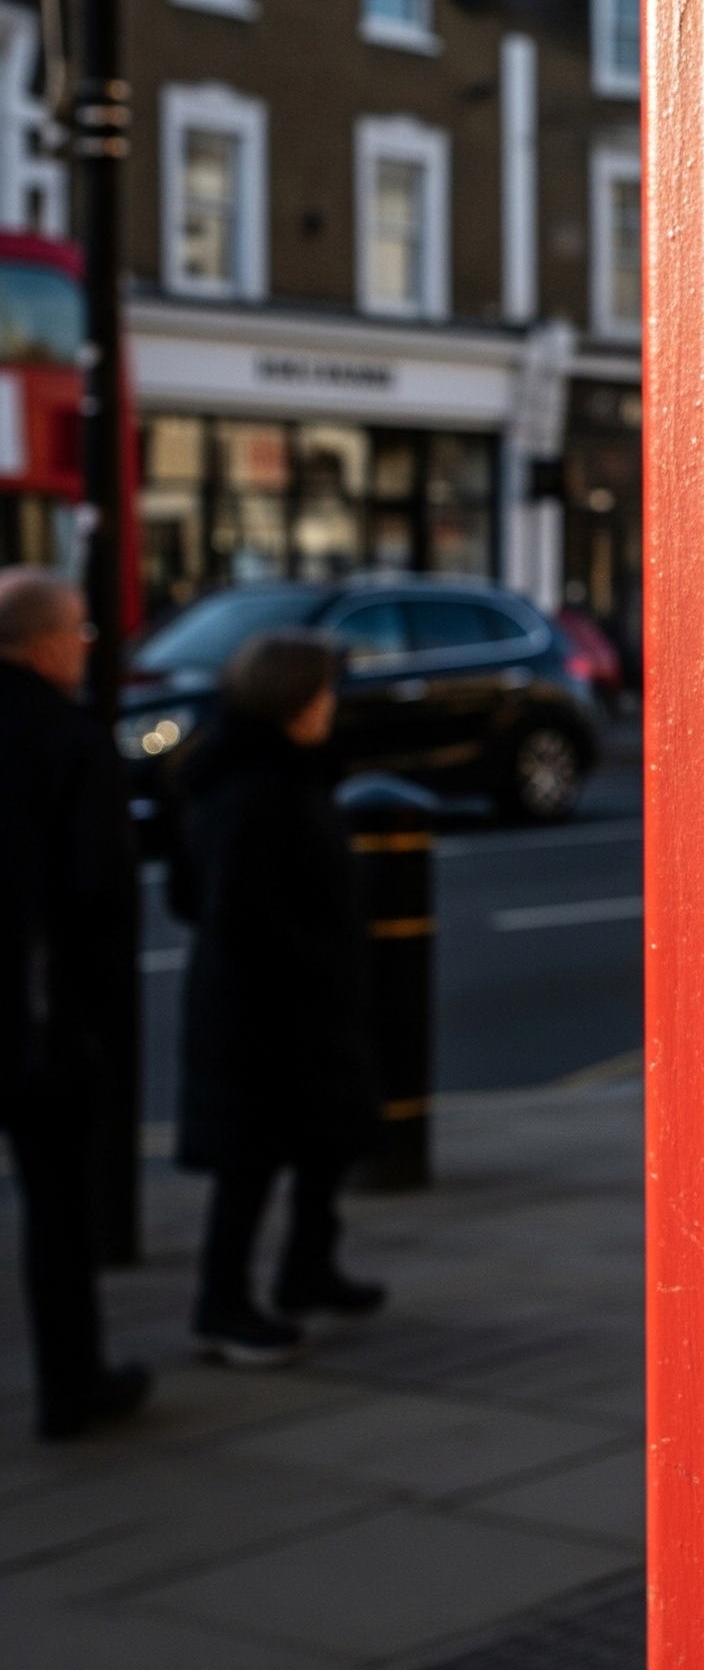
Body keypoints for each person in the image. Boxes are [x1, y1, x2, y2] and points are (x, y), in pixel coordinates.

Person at [172, 629, 383, 1365]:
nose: (333, 704)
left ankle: (307, 1269)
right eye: (324, 691)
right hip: (263, 1013)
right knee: (251, 1161)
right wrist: (315, 956)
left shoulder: (286, 773)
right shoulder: (253, 789)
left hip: (297, 1003)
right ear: (293, 701)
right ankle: (221, 1307)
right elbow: (228, 906)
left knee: (325, 1140)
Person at [0, 569, 150, 1439]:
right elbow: (101, 897)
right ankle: (72, 1383)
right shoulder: (70, 740)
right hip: (38, 1021)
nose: (87, 649)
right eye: (83, 633)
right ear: (49, 642)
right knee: (58, 1211)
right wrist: (96, 1023)